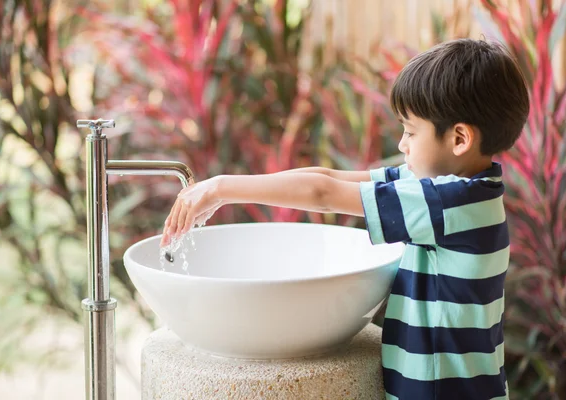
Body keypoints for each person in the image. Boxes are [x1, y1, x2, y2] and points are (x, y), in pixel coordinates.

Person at [160, 38, 529, 400]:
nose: (402, 144)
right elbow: (331, 179)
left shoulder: (448, 203)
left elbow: (323, 194)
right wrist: (221, 190)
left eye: (411, 132)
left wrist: (222, 188)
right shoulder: (455, 190)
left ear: (459, 138)